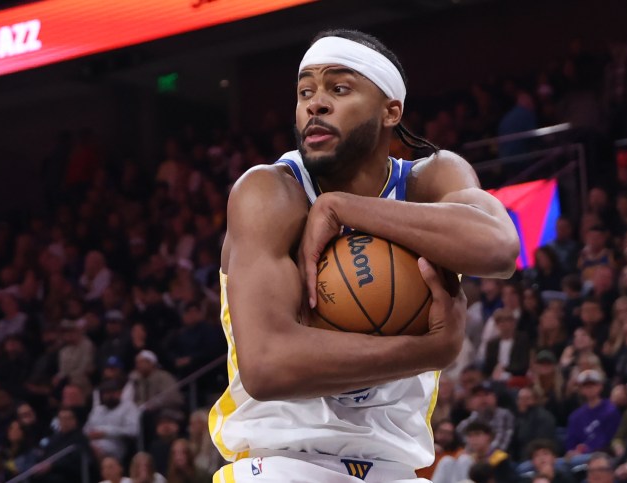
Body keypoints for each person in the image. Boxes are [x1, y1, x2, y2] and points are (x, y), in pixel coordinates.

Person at [209, 29, 518, 482]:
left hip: (396, 468)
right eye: (305, 91)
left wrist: (344, 208)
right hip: (284, 462)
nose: (315, 104)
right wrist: (430, 349)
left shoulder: (431, 179)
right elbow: (268, 365)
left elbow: (499, 249)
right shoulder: (270, 192)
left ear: (392, 110)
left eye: (339, 88)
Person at [564, 370, 621, 462]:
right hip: (579, 458)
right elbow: (570, 444)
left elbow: (610, 439)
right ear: (581, 389)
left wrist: (587, 449)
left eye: (593, 384)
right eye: (586, 386)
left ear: (600, 386)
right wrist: (574, 452)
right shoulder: (575, 416)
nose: (589, 388)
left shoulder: (611, 410)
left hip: (603, 456)